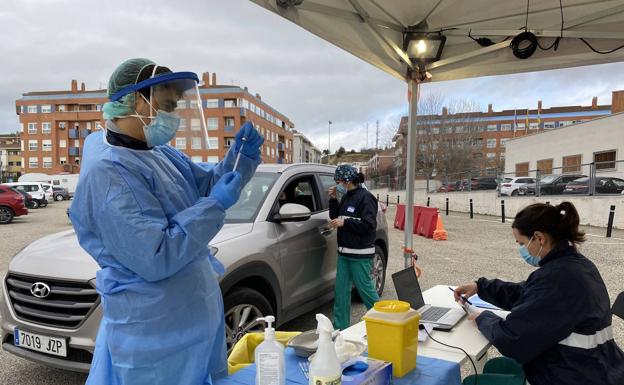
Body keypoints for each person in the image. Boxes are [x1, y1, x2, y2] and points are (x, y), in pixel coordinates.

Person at [69, 58, 264, 385]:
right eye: (167, 104)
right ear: (133, 101)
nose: (172, 115)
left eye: (175, 106)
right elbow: (156, 255)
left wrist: (240, 160)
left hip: (191, 317)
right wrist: (216, 205)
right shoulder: (109, 172)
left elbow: (203, 186)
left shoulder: (156, 151)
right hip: (153, 333)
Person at [454, 202, 624, 385]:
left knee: (472, 382)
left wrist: (482, 317)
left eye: (522, 243)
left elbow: (512, 340)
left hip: (571, 374)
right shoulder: (575, 265)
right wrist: (481, 287)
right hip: (597, 366)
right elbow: (528, 293)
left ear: (539, 238)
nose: (523, 249)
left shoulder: (555, 278)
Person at [328, 165, 379, 330]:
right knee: (341, 295)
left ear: (347, 180)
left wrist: (345, 222)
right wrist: (333, 199)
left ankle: (385, 324)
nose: (337, 184)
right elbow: (335, 217)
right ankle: (340, 330)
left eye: (339, 181)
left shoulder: (366, 198)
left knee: (367, 294)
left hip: (360, 255)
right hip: (344, 254)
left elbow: (369, 225)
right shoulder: (346, 196)